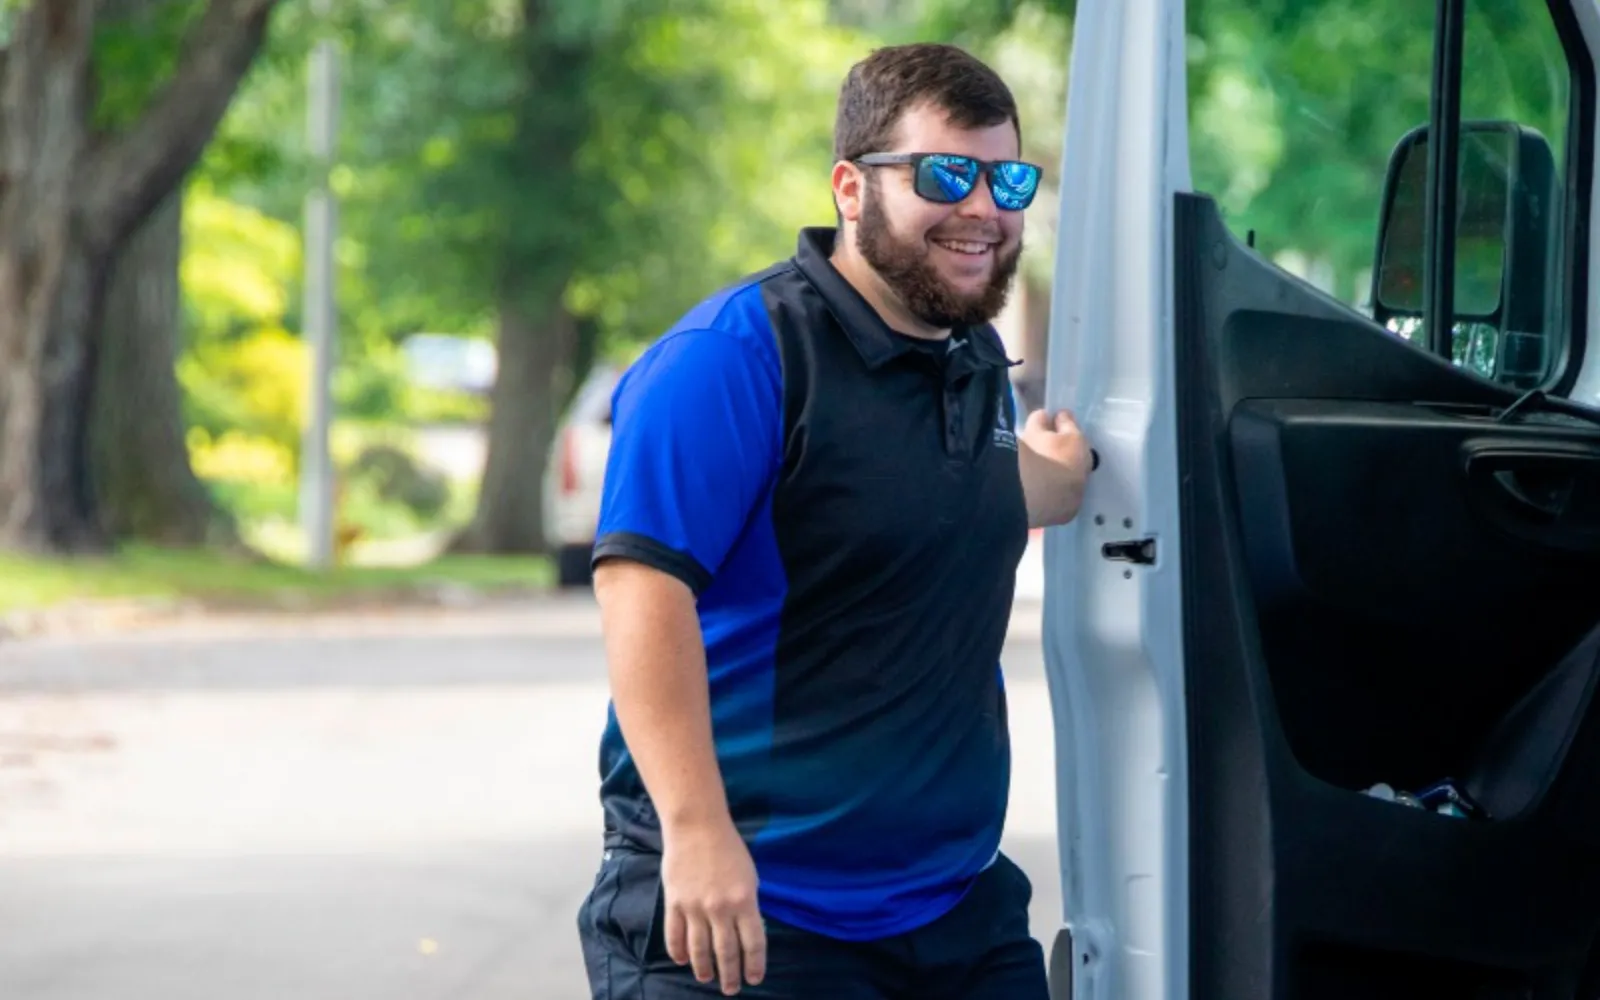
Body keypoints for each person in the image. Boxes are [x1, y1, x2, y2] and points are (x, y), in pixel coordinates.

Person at [576, 41, 1093, 1000]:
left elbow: (950, 494)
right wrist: (696, 837)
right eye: (947, 173)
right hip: (749, 919)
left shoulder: (970, 358)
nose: (984, 207)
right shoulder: (735, 358)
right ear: (852, 189)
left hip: (956, 914)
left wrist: (1069, 475)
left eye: (1008, 178)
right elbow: (640, 591)